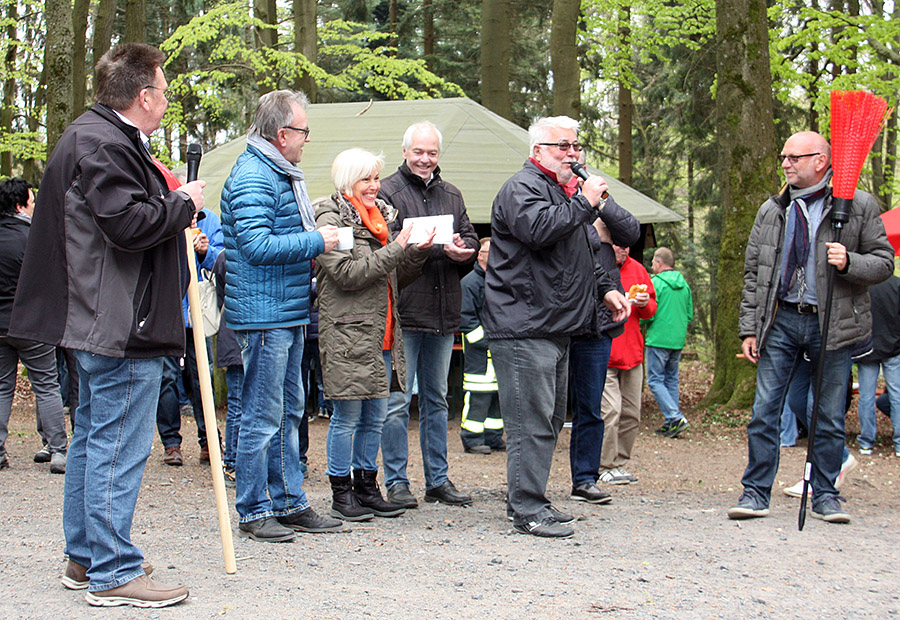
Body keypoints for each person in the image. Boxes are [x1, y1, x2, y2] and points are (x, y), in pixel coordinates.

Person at [8, 43, 204, 606]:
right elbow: (127, 224)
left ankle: (85, 557)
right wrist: (182, 203)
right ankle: (113, 571)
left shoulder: (95, 137)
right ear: (143, 96)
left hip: (102, 317)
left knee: (96, 440)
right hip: (118, 321)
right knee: (117, 445)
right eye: (163, 91)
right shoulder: (104, 143)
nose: (165, 100)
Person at [728, 131, 893, 524]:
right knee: (764, 410)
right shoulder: (772, 209)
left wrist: (850, 261)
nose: (785, 164)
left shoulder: (857, 204)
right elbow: (753, 274)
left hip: (833, 322)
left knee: (829, 414)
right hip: (781, 320)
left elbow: (884, 262)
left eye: (794, 157)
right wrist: (749, 329)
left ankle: (825, 494)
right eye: (783, 157)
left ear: (821, 160)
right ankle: (755, 492)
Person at [483, 115, 626, 538]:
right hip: (524, 325)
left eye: (576, 146)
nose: (572, 154)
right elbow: (539, 230)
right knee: (529, 422)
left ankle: (532, 499)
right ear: (537, 151)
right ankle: (527, 508)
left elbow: (581, 253)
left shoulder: (562, 193)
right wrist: (585, 203)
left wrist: (605, 289)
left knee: (546, 421)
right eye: (562, 146)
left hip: (557, 325)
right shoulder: (521, 188)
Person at [220, 89, 342, 543]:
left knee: (289, 411)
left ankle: (289, 501)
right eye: (304, 131)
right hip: (264, 315)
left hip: (285, 310)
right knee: (261, 416)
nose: (308, 139)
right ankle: (254, 509)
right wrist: (317, 241)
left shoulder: (277, 171)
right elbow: (255, 246)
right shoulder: (255, 175)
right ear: (281, 133)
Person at [315, 148, 433, 522]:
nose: (374, 186)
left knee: (375, 417)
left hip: (383, 334)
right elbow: (347, 274)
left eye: (376, 178)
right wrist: (398, 247)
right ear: (347, 180)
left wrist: (415, 252)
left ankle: (367, 488)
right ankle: (341, 493)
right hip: (348, 334)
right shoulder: (330, 217)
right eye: (365, 179)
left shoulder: (381, 218)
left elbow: (394, 275)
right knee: (347, 417)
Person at [379, 121, 479, 508]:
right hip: (404, 311)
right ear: (405, 151)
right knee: (397, 403)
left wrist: (463, 250)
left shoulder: (451, 193)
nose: (425, 159)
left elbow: (470, 237)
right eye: (419, 152)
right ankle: (397, 482)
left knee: (438, 400)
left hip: (443, 311)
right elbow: (383, 246)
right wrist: (413, 248)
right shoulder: (387, 191)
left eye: (432, 153)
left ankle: (438, 479)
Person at [567, 205, 638, 504]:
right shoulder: (551, 198)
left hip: (599, 324)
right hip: (560, 321)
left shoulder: (601, 202)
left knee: (591, 408)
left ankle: (585, 479)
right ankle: (532, 486)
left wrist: (605, 204)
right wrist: (595, 233)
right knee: (549, 409)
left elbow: (630, 231)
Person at [0, 178, 68, 474]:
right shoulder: (35, 238)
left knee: (2, 387)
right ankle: (58, 449)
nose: (34, 206)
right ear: (19, 206)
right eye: (32, 202)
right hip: (32, 323)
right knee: (47, 385)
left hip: (0, 325)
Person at [156, 208, 223, 465]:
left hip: (198, 312)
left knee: (201, 378)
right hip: (167, 310)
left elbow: (221, 260)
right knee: (166, 378)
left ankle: (209, 441)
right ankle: (171, 443)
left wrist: (205, 251)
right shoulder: (163, 214)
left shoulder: (209, 220)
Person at [599, 244, 657, 484]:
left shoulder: (638, 269)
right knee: (610, 411)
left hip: (632, 354)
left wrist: (644, 303)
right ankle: (603, 465)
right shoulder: (599, 265)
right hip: (605, 353)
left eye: (626, 246)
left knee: (632, 413)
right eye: (618, 245)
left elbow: (651, 311)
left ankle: (620, 463)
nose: (623, 250)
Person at [458, 237, 505, 454]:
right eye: (490, 253)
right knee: (478, 397)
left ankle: (493, 437)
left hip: (499, 352)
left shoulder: (502, 281)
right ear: (480, 256)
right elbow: (466, 320)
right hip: (479, 354)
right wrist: (488, 342)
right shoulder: (469, 283)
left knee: (498, 398)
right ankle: (472, 438)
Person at [642, 247, 693, 438]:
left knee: (655, 380)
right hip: (677, 340)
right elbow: (689, 314)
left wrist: (639, 322)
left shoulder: (656, 283)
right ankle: (672, 422)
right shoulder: (684, 285)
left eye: (653, 263)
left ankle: (675, 416)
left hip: (658, 339)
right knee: (671, 379)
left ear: (659, 263)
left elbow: (648, 312)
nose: (652, 267)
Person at [854, 275, 900, 457]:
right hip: (893, 346)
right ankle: (899, 443)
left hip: (867, 347)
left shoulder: (862, 284)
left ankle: (866, 442)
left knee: (866, 396)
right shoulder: (896, 284)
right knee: (897, 396)